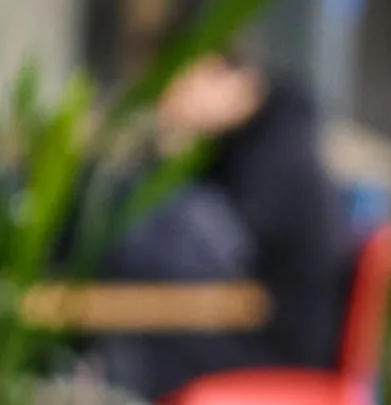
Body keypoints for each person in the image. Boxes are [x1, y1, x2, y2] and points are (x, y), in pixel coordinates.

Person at [95, 55, 349, 401]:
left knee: (127, 355)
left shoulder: (273, 154)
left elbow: (202, 257)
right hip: (253, 330)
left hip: (277, 349)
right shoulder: (258, 139)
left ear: (220, 71)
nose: (169, 100)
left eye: (181, 83)